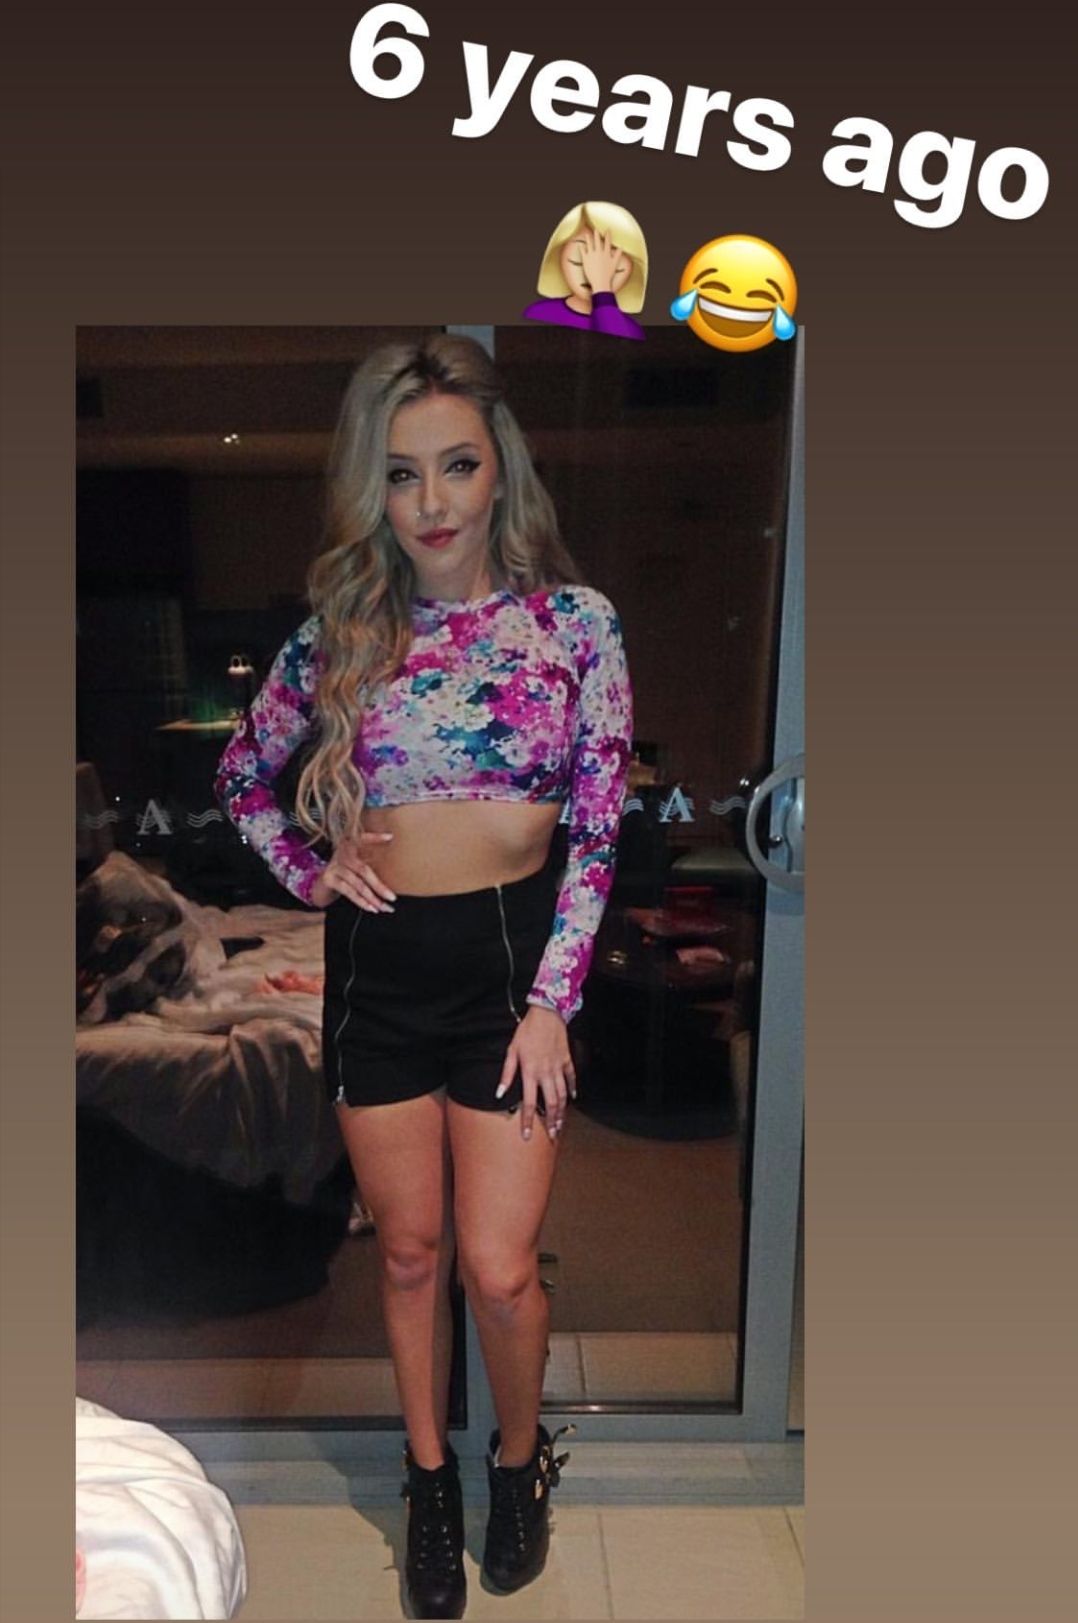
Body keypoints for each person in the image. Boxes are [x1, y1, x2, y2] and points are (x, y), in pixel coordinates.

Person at [215, 334, 633, 1620]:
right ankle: (430, 1478)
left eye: (457, 466)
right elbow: (240, 779)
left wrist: (555, 1000)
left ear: (500, 470)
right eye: (402, 475)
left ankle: (518, 1460)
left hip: (511, 969)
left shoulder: (575, 626)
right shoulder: (339, 635)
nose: (433, 502)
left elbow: (597, 830)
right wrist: (309, 871)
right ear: (376, 492)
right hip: (379, 968)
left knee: (497, 1269)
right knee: (406, 1255)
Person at [523, 200, 648, 340]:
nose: (592, 274)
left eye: (612, 267)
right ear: (559, 256)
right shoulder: (540, 314)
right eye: (578, 261)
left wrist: (602, 288)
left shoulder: (630, 330)